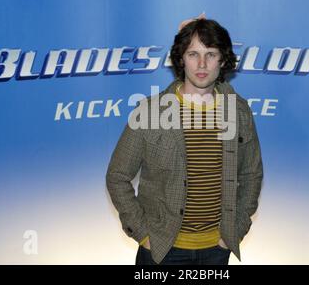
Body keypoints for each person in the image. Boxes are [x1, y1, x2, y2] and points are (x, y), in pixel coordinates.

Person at [106, 15, 263, 265]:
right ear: (181, 59)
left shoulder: (239, 111)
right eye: (193, 54)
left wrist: (236, 228)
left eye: (210, 54)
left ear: (223, 60)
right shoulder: (150, 112)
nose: (202, 63)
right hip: (160, 251)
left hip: (217, 251)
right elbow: (117, 176)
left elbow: (251, 174)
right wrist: (144, 234)